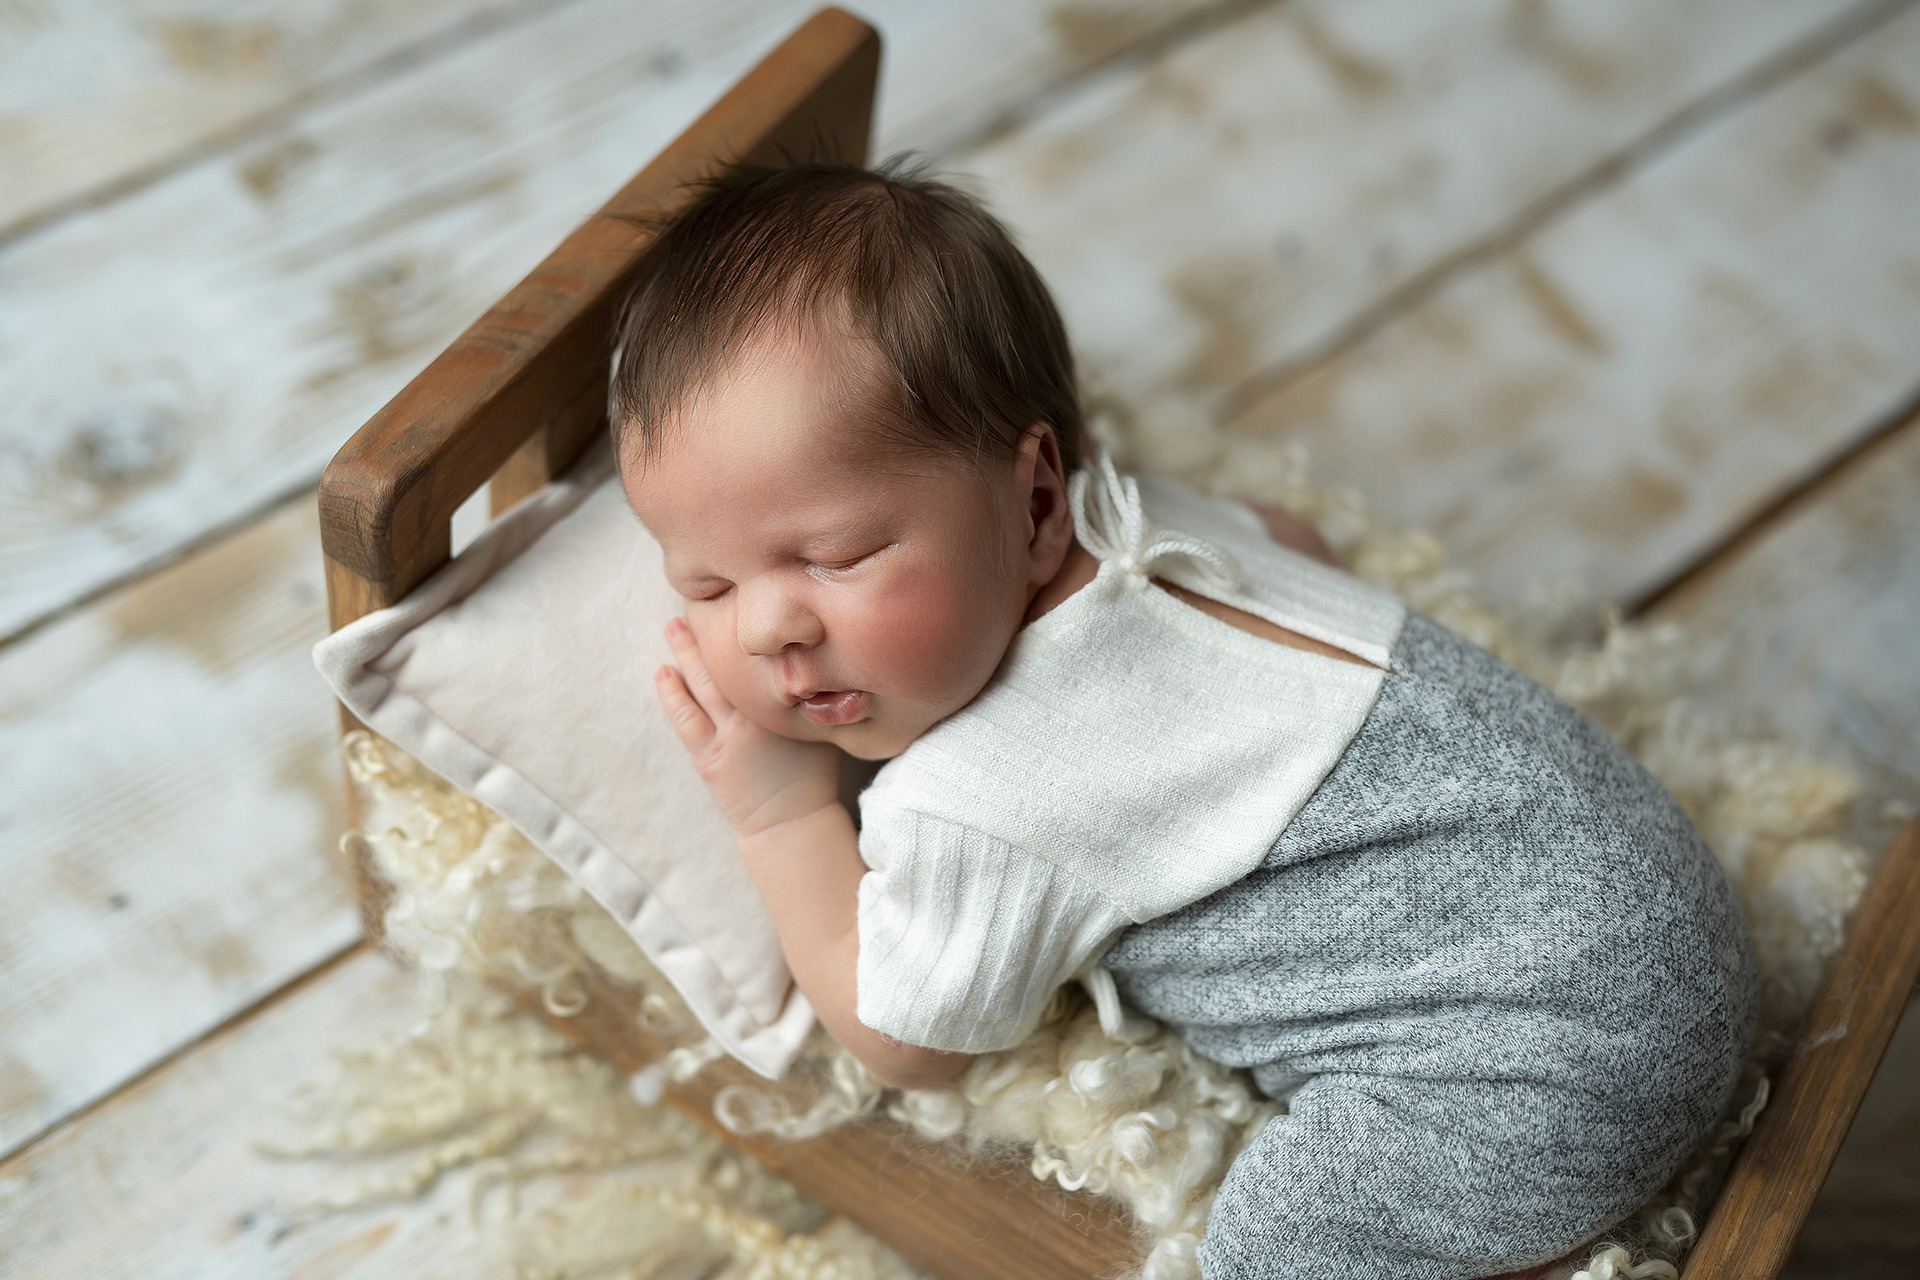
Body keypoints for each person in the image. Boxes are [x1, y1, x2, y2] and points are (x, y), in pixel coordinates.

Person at [611, 160, 1756, 1280]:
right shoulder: (1152, 513)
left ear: (1037, 502)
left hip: (1541, 1077)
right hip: (1665, 902)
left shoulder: (981, 792)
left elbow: (905, 1034)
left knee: (1274, 1241)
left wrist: (777, 810)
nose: (766, 629)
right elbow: (1298, 540)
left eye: (838, 554)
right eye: (704, 586)